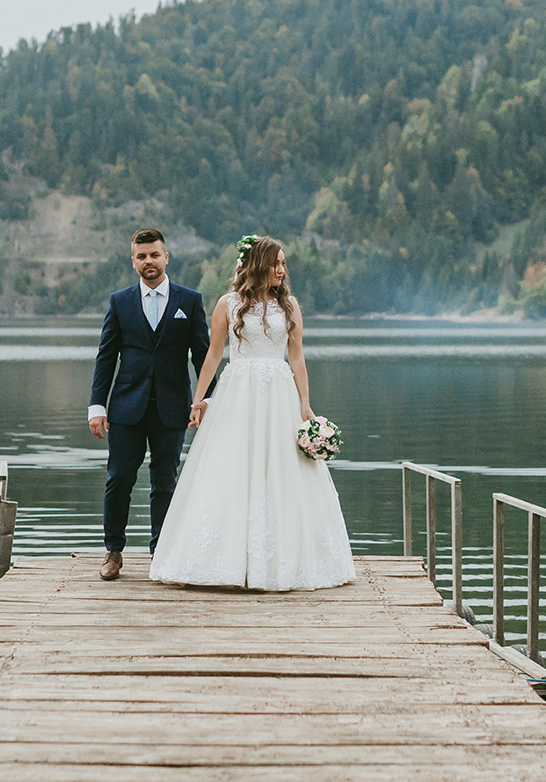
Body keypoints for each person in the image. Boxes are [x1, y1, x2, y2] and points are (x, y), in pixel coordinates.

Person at [149, 235, 354, 590]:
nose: (282, 269)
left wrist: (305, 403)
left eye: (284, 263)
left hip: (279, 395)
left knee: (283, 470)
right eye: (276, 263)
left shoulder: (289, 305)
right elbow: (213, 355)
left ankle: (282, 563)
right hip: (238, 394)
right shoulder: (228, 304)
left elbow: (297, 357)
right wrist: (199, 400)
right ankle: (226, 562)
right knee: (231, 468)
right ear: (258, 264)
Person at [88, 228, 210, 581]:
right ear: (133, 262)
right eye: (141, 256)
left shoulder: (190, 301)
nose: (149, 261)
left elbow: (203, 356)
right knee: (119, 479)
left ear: (166, 257)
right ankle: (113, 551)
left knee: (165, 483)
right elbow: (106, 357)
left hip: (173, 408)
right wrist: (97, 406)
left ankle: (161, 552)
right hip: (126, 408)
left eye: (154, 254)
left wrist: (206, 399)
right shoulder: (120, 302)